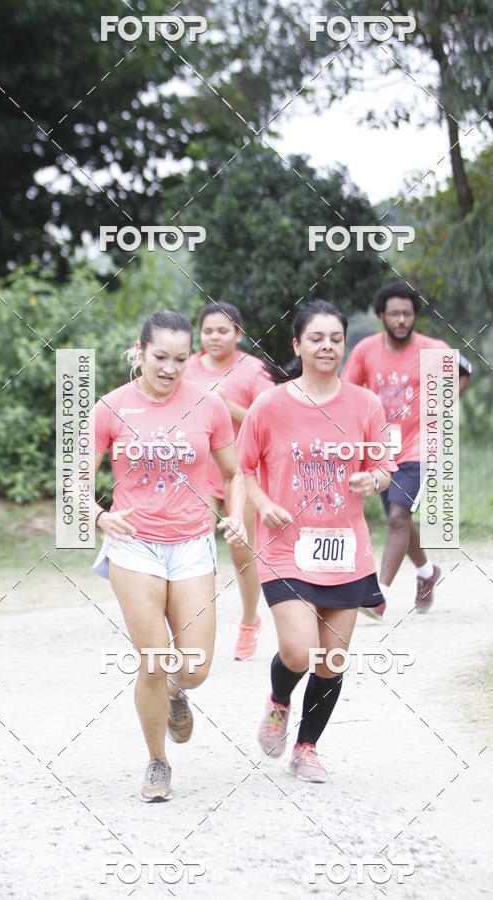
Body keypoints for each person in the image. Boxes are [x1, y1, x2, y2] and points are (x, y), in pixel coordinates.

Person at [237, 300, 395, 782]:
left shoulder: (365, 404)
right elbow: (245, 468)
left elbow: (384, 467)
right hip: (286, 547)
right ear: (297, 345)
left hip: (345, 551)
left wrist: (374, 480)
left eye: (335, 339)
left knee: (331, 660)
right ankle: (279, 701)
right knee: (300, 650)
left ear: (344, 345)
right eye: (316, 338)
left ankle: (306, 749)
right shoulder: (270, 405)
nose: (327, 346)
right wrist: (263, 504)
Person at [91, 310, 247, 802]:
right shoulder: (111, 407)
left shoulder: (208, 405)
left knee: (195, 667)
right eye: (160, 357)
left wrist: (236, 515)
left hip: (192, 544)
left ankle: (178, 692)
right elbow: (71, 478)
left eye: (181, 359)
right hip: (134, 544)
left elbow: (234, 473)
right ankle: (158, 761)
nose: (170, 368)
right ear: (140, 352)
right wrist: (98, 516)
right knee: (154, 661)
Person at [341, 280, 472, 617]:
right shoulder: (365, 351)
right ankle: (428, 572)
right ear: (382, 315)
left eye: (407, 314)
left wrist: (443, 404)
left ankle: (378, 596)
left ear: (415, 316)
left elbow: (465, 371)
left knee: (398, 517)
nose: (401, 320)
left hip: (421, 446)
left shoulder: (433, 349)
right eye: (394, 314)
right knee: (398, 518)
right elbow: (348, 393)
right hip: (382, 449)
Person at [185, 302, 273, 660]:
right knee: (194, 551)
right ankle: (193, 626)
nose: (215, 337)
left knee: (241, 552)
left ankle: (250, 621)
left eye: (223, 331)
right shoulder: (186, 367)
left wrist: (225, 404)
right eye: (208, 331)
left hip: (243, 472)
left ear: (238, 333)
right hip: (199, 475)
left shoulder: (254, 369)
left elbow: (269, 418)